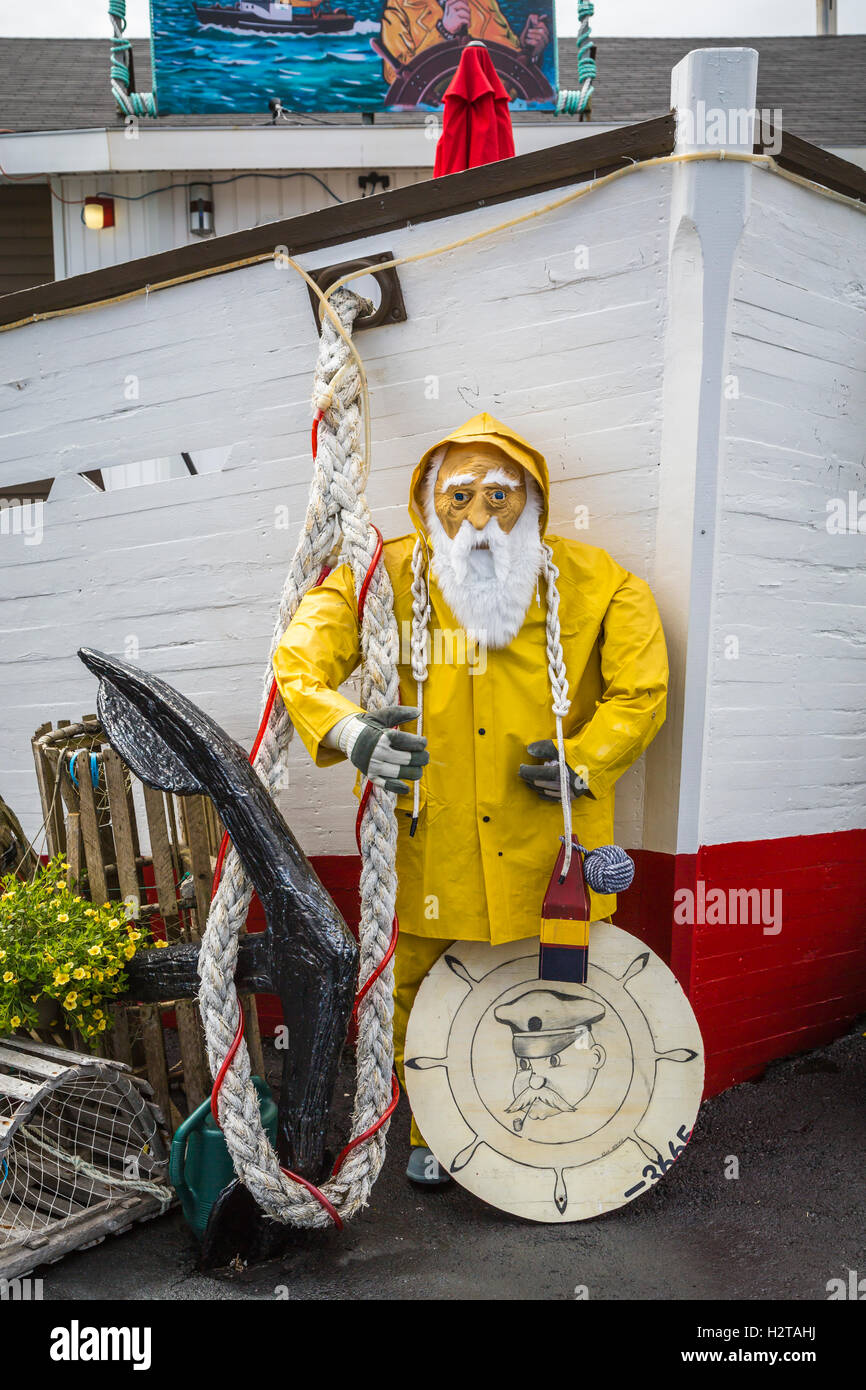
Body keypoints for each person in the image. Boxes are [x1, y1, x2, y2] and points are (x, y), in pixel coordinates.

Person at [272, 412, 668, 1185]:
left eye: (499, 496)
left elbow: (641, 690)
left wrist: (588, 757)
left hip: (549, 845)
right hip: (431, 840)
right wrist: (351, 732)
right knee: (414, 991)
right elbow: (298, 660)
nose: (480, 518)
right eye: (459, 499)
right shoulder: (378, 576)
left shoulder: (600, 581)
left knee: (557, 991)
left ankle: (561, 1133)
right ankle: (434, 1130)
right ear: (429, 500)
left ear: (535, 501)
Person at [378, 0, 550, 84]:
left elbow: (510, 70)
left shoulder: (483, 4)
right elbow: (394, 77)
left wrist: (529, 51)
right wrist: (443, 32)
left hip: (487, 109)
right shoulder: (399, 7)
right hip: (435, 109)